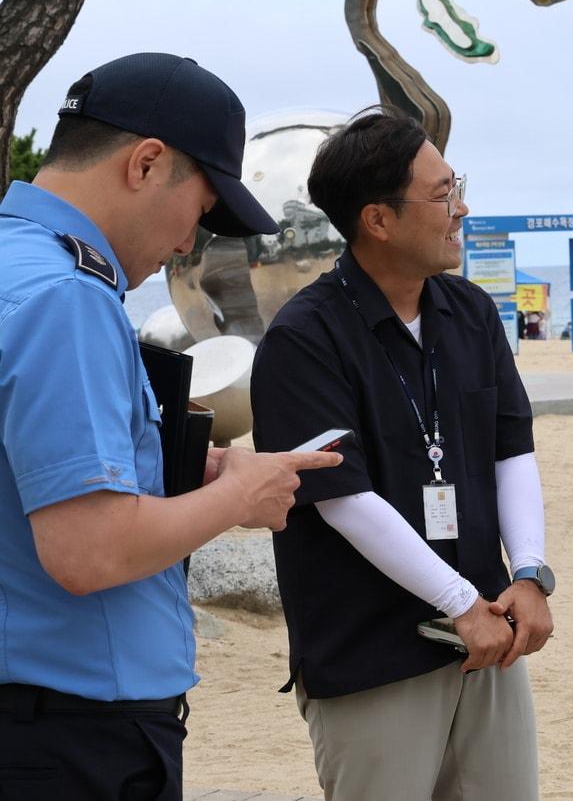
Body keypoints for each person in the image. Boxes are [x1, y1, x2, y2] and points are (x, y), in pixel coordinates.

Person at [0, 52, 341, 800]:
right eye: (202, 207)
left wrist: (175, 472)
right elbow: (86, 550)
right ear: (146, 163)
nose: (189, 243)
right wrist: (238, 497)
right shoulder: (68, 298)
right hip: (72, 739)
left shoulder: (15, 265)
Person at [250, 109, 554, 801]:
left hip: (489, 643)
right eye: (442, 193)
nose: (462, 208)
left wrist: (531, 573)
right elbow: (342, 500)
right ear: (377, 220)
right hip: (372, 657)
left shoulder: (470, 312)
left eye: (457, 186)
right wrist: (459, 602)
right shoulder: (304, 339)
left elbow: (513, 450)